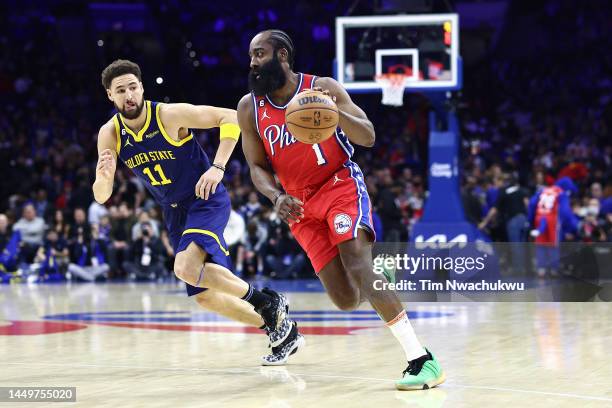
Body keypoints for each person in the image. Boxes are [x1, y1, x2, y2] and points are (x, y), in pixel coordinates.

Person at [238, 30, 444, 388]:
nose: (253, 62)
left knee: (356, 262)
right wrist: (276, 197)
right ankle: (380, 276)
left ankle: (421, 359)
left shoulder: (323, 87)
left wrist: (334, 112)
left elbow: (367, 135)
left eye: (260, 54)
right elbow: (256, 167)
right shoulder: (249, 108)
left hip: (338, 183)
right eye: (251, 56)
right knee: (346, 299)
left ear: (282, 55)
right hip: (298, 204)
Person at [94, 59, 302, 364]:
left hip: (205, 198)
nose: (129, 95)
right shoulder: (109, 133)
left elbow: (229, 117)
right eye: (121, 90)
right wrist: (104, 175)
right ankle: (278, 327)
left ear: (142, 88)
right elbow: (102, 197)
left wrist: (217, 168)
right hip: (174, 211)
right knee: (204, 295)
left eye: (133, 87)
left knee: (184, 267)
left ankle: (268, 301)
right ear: (110, 96)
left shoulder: (168, 115)